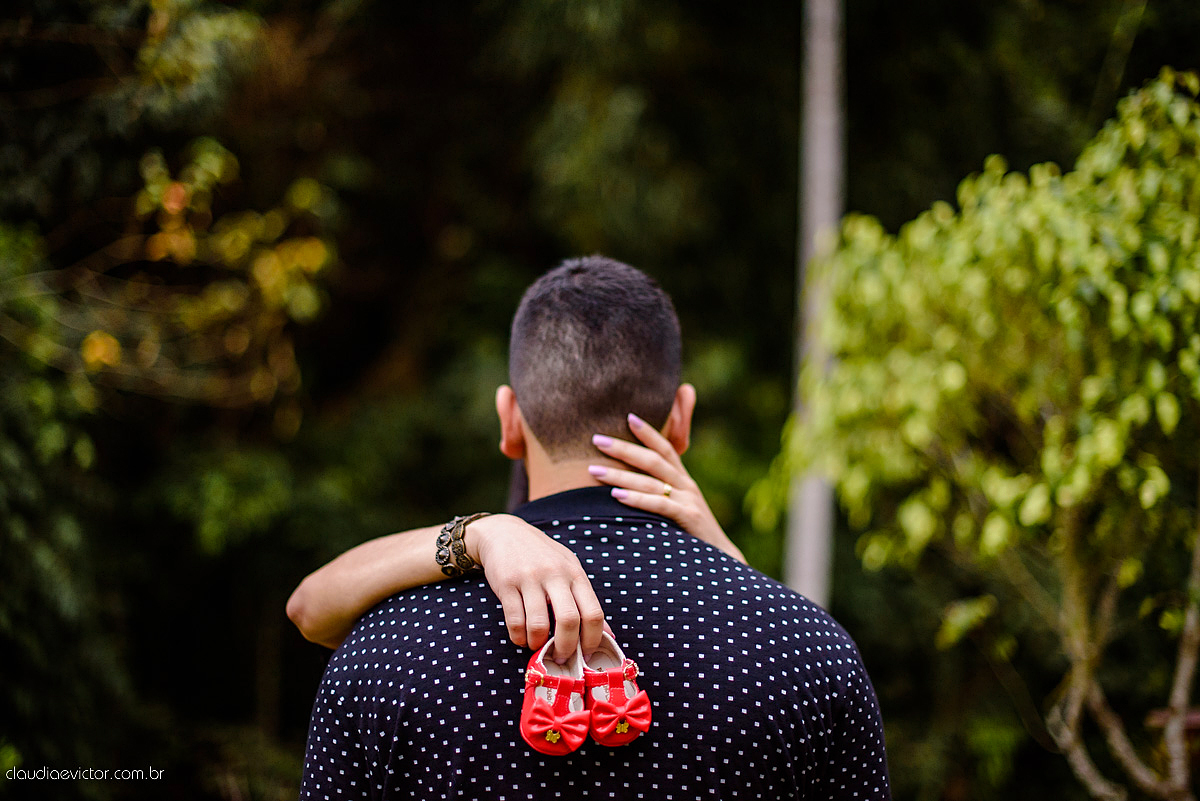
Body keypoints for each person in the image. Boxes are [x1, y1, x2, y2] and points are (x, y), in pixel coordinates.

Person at [295, 255, 891, 799]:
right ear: (681, 417)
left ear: (509, 418)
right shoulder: (811, 652)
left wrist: (476, 533)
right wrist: (740, 576)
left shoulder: (383, 652)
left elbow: (307, 610)